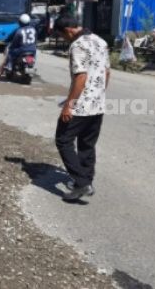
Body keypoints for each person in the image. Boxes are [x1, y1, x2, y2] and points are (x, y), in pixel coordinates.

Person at [52, 14, 111, 202]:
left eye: (62, 36)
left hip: (80, 106)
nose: (64, 39)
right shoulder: (100, 41)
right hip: (98, 104)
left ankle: (82, 182)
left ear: (68, 31)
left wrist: (69, 105)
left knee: (63, 140)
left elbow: (81, 77)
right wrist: (98, 94)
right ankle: (85, 182)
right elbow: (107, 72)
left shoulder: (77, 45)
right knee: (87, 144)